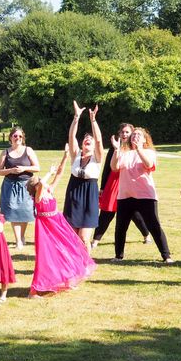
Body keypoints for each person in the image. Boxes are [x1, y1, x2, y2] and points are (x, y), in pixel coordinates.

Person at [26, 153, 96, 298]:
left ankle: (67, 280)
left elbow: (59, 174)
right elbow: (41, 184)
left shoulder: (48, 191)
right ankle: (33, 291)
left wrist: (65, 157)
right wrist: (47, 174)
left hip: (58, 226)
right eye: (40, 183)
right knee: (46, 258)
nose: (43, 183)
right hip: (46, 230)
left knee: (65, 251)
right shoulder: (38, 197)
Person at [110, 127, 173, 264]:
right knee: (120, 227)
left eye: (139, 135)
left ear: (145, 139)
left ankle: (166, 256)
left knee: (154, 226)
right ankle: (118, 255)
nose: (135, 136)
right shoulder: (125, 153)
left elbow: (149, 164)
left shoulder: (148, 152)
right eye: (134, 135)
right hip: (125, 195)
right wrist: (116, 150)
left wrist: (139, 149)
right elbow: (114, 167)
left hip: (145, 195)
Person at [92, 123, 150, 249]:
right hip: (113, 183)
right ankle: (95, 240)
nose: (124, 134)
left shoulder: (135, 148)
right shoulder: (115, 147)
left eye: (127, 132)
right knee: (107, 212)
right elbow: (107, 168)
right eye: (122, 132)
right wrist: (102, 187)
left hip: (128, 182)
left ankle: (146, 235)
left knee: (134, 213)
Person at [63, 101, 103, 252]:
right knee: (72, 235)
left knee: (84, 237)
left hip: (89, 196)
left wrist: (93, 120)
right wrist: (76, 117)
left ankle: (86, 263)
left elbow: (99, 140)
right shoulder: (76, 155)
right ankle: (74, 264)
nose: (88, 140)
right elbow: (71, 135)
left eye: (90, 140)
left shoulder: (97, 157)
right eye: (86, 139)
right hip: (74, 194)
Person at [0, 127, 40, 250]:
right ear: (11, 137)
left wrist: (24, 169)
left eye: (20, 136)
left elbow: (37, 167)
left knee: (26, 211)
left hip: (27, 185)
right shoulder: (5, 152)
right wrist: (11, 170)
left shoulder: (28, 150)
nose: (18, 138)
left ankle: (22, 237)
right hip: (10, 185)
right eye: (15, 136)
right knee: (13, 211)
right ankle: (18, 241)